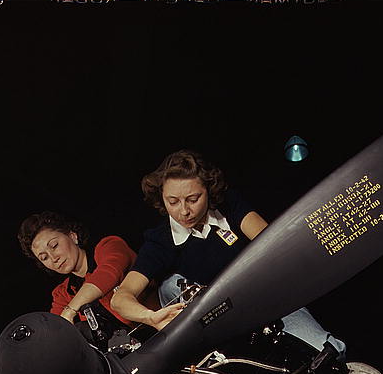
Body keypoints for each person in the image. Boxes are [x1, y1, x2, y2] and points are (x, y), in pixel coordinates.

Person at [110, 149, 346, 353]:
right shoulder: (160, 241)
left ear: (209, 191)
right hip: (217, 325)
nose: (184, 211)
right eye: (173, 201)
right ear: (161, 197)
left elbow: (273, 243)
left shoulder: (230, 206)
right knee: (170, 284)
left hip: (265, 300)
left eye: (193, 199)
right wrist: (150, 317)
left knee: (330, 351)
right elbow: (120, 299)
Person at [17, 212, 163, 344]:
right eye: (44, 257)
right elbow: (55, 331)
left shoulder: (109, 246)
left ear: (72, 236)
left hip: (163, 328)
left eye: (54, 246)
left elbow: (108, 273)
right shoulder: (63, 294)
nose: (53, 258)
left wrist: (70, 310)